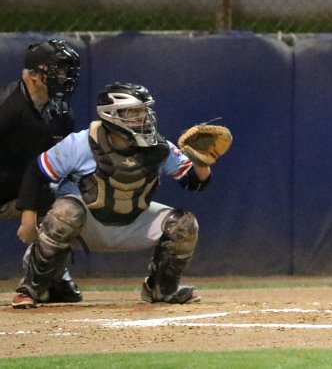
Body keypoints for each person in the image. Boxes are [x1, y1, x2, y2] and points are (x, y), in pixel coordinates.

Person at [12, 82, 217, 309]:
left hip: (133, 221)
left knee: (184, 224)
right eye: (133, 112)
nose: (143, 118)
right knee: (65, 212)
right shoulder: (81, 143)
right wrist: (28, 220)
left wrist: (202, 163)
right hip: (84, 225)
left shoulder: (159, 147)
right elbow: (37, 171)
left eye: (144, 111)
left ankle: (161, 288)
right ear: (112, 115)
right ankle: (32, 287)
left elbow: (194, 183)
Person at [0, 40, 83, 304]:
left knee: (73, 201)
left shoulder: (61, 113)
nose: (64, 77)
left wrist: (30, 207)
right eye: (56, 71)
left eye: (66, 70)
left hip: (29, 190)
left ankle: (51, 276)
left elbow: (57, 167)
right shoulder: (8, 107)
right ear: (34, 75)